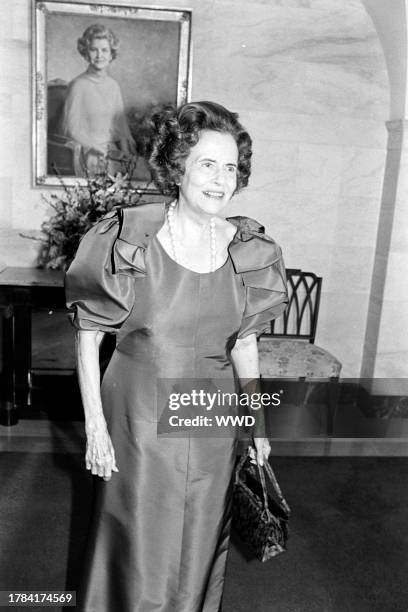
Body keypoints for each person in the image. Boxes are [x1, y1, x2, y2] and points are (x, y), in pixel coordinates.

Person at [65, 101, 288, 611]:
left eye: (231, 167)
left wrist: (257, 425)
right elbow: (88, 332)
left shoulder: (249, 250)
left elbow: (247, 341)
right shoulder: (129, 236)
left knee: (201, 545)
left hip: (213, 422)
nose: (221, 179)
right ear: (178, 166)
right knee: (139, 545)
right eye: (207, 164)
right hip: (138, 420)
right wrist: (95, 427)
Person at [61, 24, 135, 175]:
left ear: (111, 54)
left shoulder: (114, 86)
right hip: (89, 152)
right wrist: (98, 148)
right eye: (94, 50)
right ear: (86, 53)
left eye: (104, 50)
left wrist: (127, 155)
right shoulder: (78, 85)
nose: (99, 55)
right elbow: (71, 128)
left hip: (112, 151)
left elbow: (121, 127)